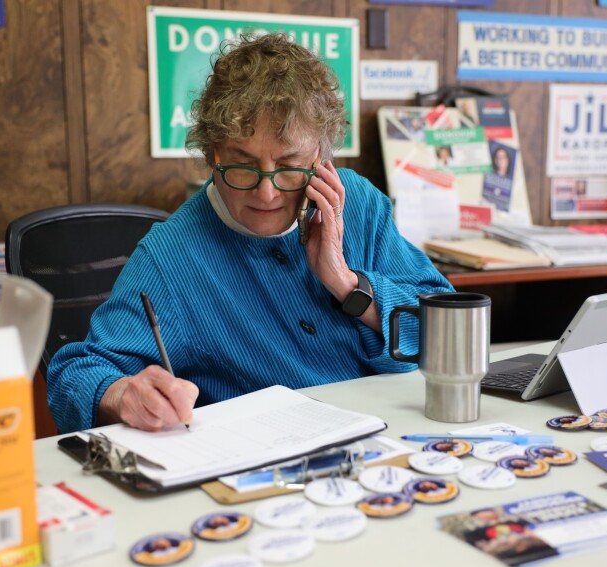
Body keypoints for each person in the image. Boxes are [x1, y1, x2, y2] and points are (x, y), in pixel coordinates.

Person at [46, 33, 454, 433]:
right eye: (242, 164)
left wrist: (348, 284)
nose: (267, 191)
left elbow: (449, 332)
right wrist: (121, 394)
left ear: (319, 157)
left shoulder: (358, 204)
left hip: (395, 440)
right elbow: (76, 373)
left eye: (290, 164)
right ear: (212, 153)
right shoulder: (173, 257)